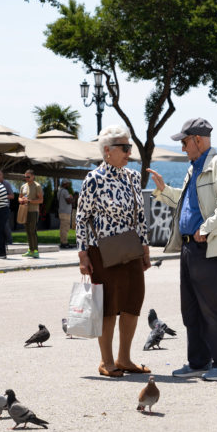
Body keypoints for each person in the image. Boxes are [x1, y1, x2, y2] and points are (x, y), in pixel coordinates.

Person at [147, 117, 217, 381]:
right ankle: (199, 361)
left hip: (207, 246)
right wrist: (164, 191)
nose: (183, 148)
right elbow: (189, 204)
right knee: (191, 309)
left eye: (185, 142)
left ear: (198, 140)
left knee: (213, 308)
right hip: (190, 248)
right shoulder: (195, 167)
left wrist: (206, 228)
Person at [77, 125, 152, 378]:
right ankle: (106, 361)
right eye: (124, 147)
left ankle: (125, 358)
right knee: (108, 307)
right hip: (102, 251)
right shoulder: (94, 179)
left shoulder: (131, 177)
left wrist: (145, 248)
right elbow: (81, 219)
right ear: (107, 150)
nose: (129, 152)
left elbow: (140, 216)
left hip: (129, 248)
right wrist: (82, 254)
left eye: (130, 147)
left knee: (133, 303)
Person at [20, 169, 43, 258]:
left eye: (28, 177)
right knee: (27, 231)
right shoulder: (23, 186)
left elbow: (41, 200)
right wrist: (21, 200)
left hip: (33, 211)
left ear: (33, 176)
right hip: (24, 210)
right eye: (25, 177)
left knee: (32, 230)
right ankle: (30, 249)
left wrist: (30, 201)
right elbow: (19, 197)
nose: (26, 178)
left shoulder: (37, 186)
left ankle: (36, 251)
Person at [0, 170, 14, 244]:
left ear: (2, 176)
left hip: (4, 207)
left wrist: (2, 196)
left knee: (5, 225)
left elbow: (12, 196)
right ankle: (0, 241)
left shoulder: (6, 184)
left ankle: (9, 241)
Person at [57, 179, 75, 249]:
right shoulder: (65, 191)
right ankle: (64, 243)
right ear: (65, 184)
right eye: (68, 183)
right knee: (65, 228)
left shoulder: (59, 191)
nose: (69, 185)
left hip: (61, 211)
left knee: (62, 228)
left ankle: (63, 242)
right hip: (66, 212)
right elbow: (68, 201)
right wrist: (73, 199)